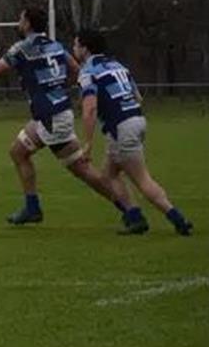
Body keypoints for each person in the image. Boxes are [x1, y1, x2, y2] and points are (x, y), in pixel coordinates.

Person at [0, 7, 143, 231]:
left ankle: (131, 211)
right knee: (18, 152)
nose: (18, 23)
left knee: (83, 170)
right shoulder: (56, 46)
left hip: (51, 119)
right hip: (53, 114)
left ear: (28, 23)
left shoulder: (21, 48)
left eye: (21, 19)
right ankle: (32, 207)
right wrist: (56, 86)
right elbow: (77, 70)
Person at [73, 30, 194, 236]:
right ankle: (134, 217)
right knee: (109, 175)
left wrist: (88, 143)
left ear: (85, 48)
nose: (73, 49)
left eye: (75, 45)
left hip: (122, 127)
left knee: (142, 180)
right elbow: (138, 97)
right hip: (137, 120)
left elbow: (90, 109)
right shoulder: (118, 65)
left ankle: (177, 218)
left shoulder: (88, 71)